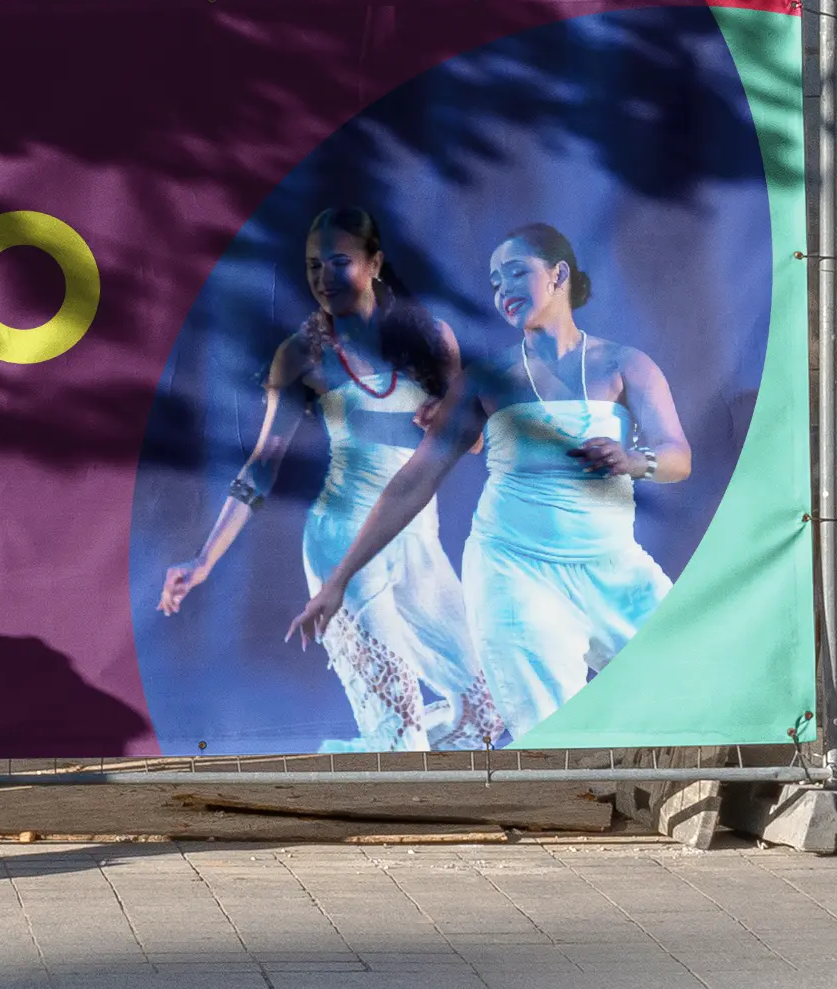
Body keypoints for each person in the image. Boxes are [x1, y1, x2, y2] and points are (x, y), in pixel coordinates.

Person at [289, 223, 692, 738]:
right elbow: (413, 482)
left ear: (558, 274)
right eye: (495, 282)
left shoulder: (625, 365)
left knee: (685, 680)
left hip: (613, 565)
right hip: (514, 571)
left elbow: (678, 456)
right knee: (556, 734)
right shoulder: (485, 380)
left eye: (516, 273)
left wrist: (639, 461)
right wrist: (337, 582)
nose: (503, 292)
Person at [158, 207, 504, 751]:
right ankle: (395, 816)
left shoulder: (431, 339)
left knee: (485, 715)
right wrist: (204, 560)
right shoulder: (301, 356)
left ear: (375, 264)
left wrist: (446, 413)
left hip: (417, 542)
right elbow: (263, 464)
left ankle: (397, 790)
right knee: (400, 730)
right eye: (314, 266)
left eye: (339, 262)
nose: (324, 277)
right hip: (342, 541)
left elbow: (478, 440)